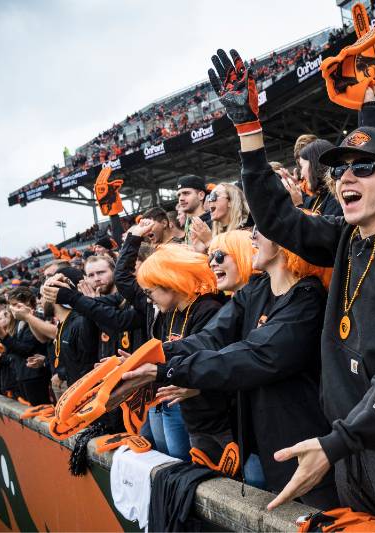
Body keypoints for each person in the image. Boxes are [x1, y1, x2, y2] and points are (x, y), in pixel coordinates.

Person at [208, 49, 375, 530]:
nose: (345, 176)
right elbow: (278, 218)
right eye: (339, 169)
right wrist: (248, 135)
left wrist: (339, 441)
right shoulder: (348, 236)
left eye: (362, 168)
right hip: (352, 445)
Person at [120, 226, 339, 509]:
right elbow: (212, 338)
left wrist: (166, 370)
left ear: (286, 241)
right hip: (259, 440)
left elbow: (254, 355)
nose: (252, 238)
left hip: (302, 443)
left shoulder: (307, 299)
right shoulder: (257, 290)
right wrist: (153, 355)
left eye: (261, 230)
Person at [116, 222, 231, 461]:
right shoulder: (169, 313)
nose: (148, 301)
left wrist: (151, 363)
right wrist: (140, 363)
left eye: (150, 293)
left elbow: (211, 360)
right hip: (192, 417)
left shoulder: (209, 309)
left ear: (170, 284)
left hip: (220, 418)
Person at [0, 287, 51, 405]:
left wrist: (2, 334)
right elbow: (13, 350)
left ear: (27, 303)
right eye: (11, 305)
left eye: (16, 305)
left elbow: (26, 349)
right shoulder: (17, 322)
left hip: (35, 376)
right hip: (21, 375)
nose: (12, 309)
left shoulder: (37, 319)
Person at [298, 139, 342, 216]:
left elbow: (326, 227)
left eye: (302, 167)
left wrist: (299, 206)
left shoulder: (336, 198)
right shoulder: (322, 196)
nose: (301, 175)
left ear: (314, 165)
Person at [176, 176, 212, 246]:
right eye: (179, 195)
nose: (181, 199)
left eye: (186, 193)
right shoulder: (188, 224)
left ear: (201, 195)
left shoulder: (213, 222)